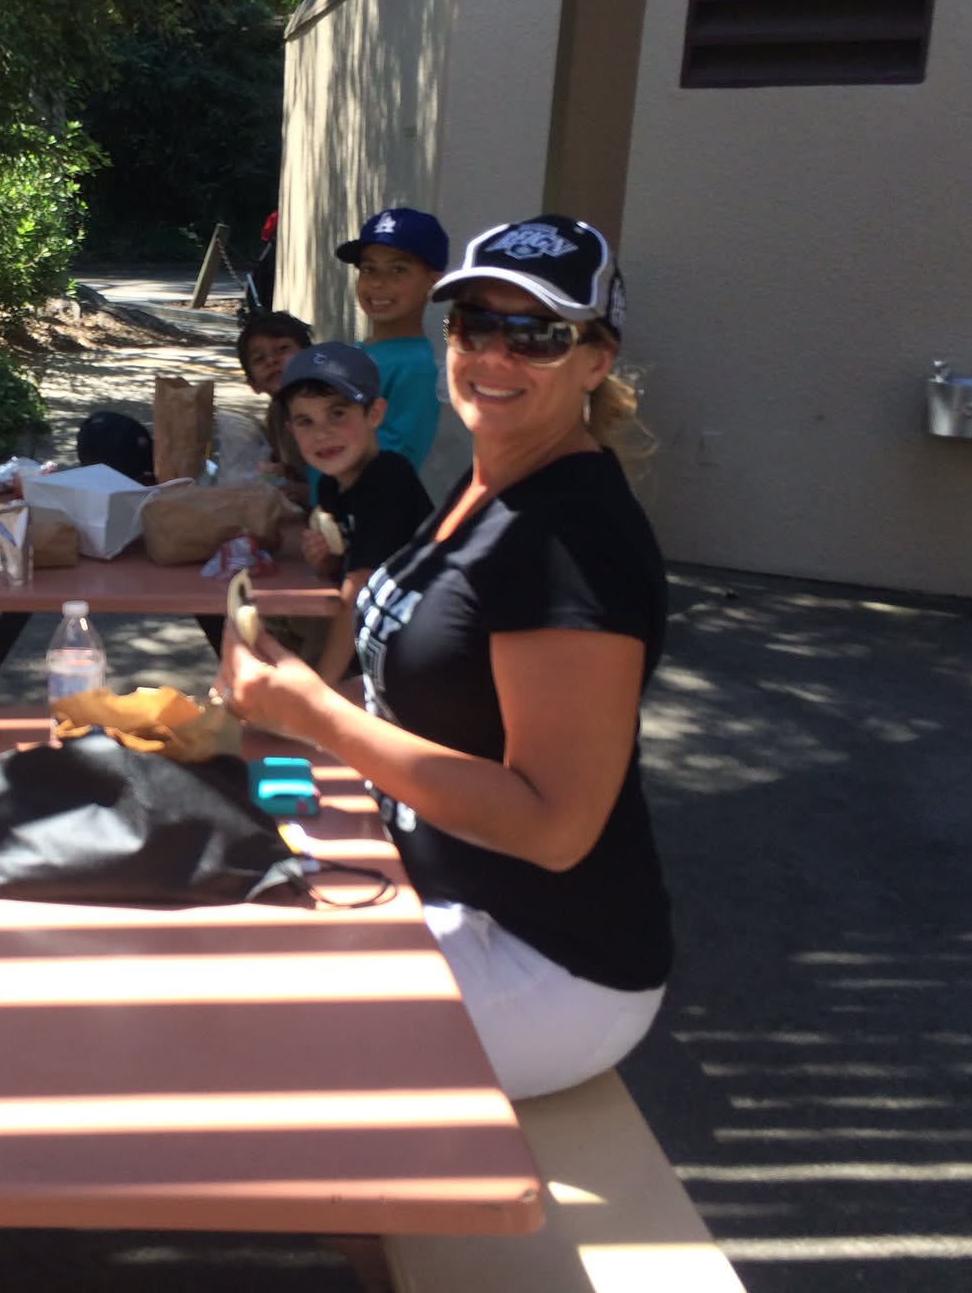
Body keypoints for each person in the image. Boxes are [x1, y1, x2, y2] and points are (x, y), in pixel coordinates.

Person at [220, 216, 670, 1101]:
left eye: (538, 334)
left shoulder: (573, 538)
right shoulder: (489, 482)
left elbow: (553, 826)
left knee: (232, 1043)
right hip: (441, 891)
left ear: (595, 361)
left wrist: (316, 714)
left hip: (549, 963)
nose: (495, 355)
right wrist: (295, 705)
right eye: (474, 325)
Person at [276, 343, 431, 685]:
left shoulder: (388, 478)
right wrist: (327, 561)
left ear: (374, 413)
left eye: (337, 413)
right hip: (376, 635)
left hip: (414, 645)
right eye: (305, 421)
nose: (322, 433)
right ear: (291, 430)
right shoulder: (330, 487)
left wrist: (322, 690)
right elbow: (349, 565)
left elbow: (360, 589)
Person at [335, 205, 449, 473]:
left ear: (433, 282)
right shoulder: (362, 351)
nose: (377, 283)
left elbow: (393, 464)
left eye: (397, 270)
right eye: (368, 269)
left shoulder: (416, 366)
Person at [234, 309, 312, 500]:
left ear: (310, 357)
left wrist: (308, 492)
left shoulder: (328, 405)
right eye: (259, 359)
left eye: (283, 349)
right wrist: (277, 472)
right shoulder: (276, 414)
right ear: (253, 384)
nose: (272, 361)